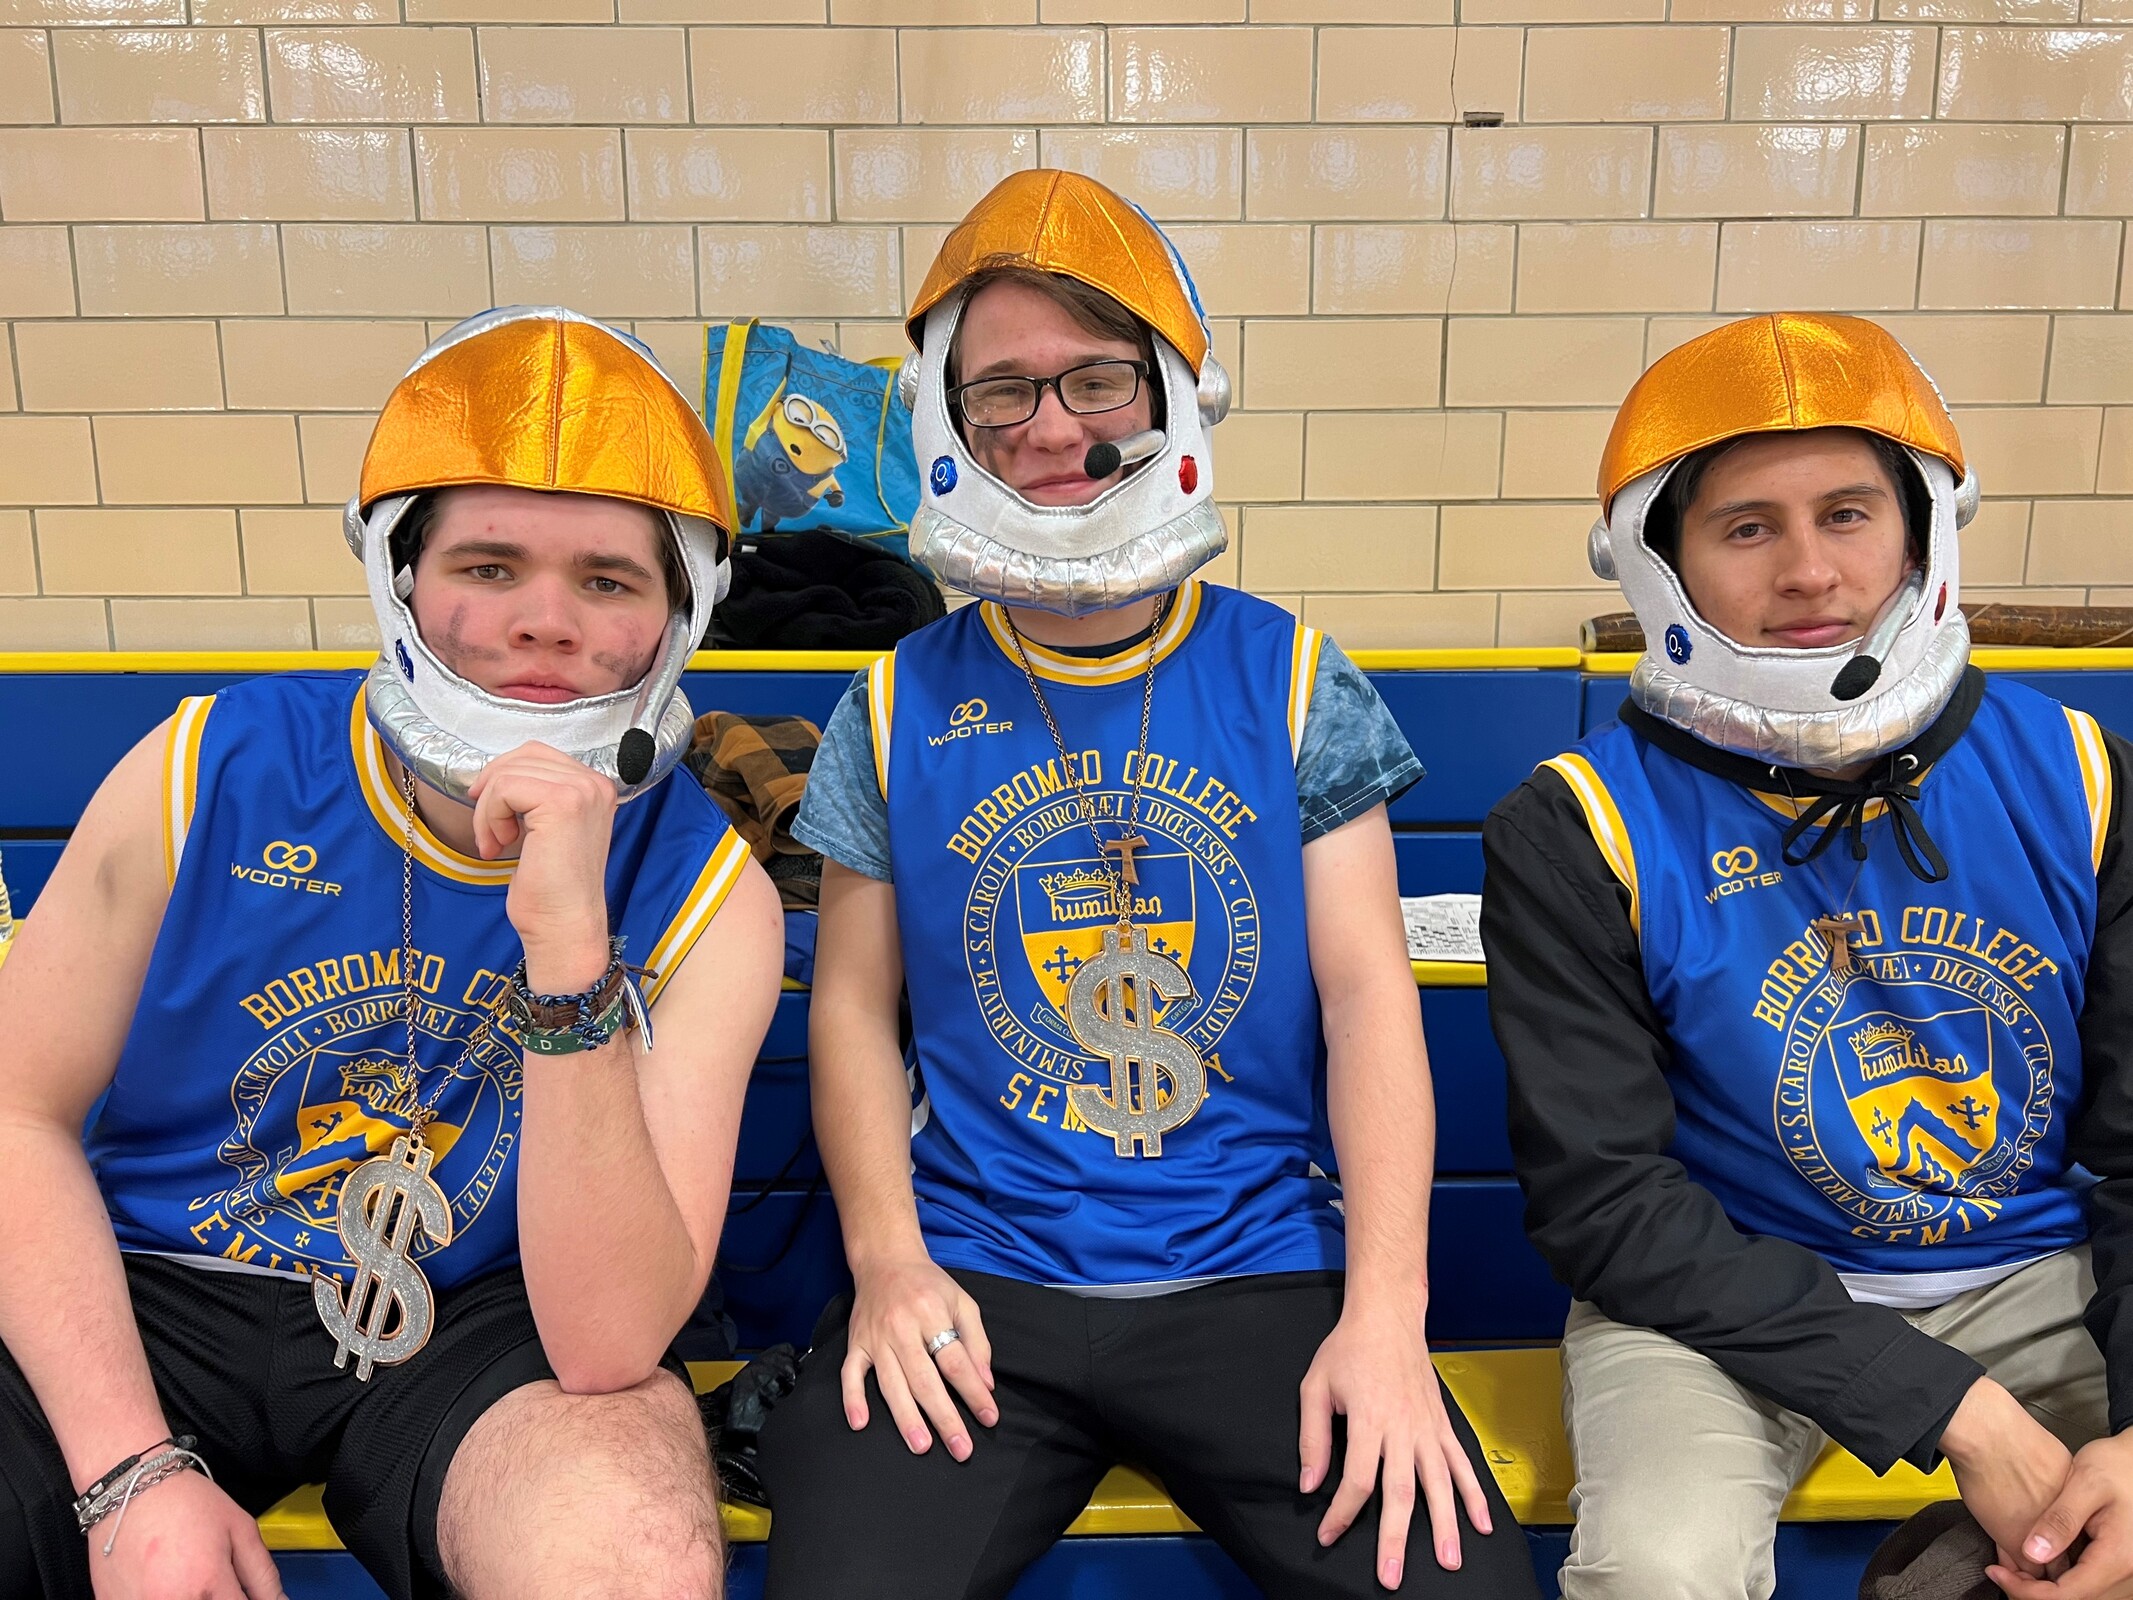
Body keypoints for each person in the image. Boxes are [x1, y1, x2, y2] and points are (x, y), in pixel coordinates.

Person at [757, 168, 1540, 1599]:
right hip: (978, 1281)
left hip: (1262, 1272)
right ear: (948, 423)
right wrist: (886, 1263)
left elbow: (1369, 1001)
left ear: (1173, 396)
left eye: (1097, 379)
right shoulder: (892, 702)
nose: (1053, 427)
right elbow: (853, 1010)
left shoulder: (1292, 676)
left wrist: (1386, 1317)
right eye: (1003, 392)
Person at [0, 306, 784, 1600]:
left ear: (677, 616)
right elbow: (16, 1114)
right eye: (488, 566)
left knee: (632, 1546)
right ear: (401, 580)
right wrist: (130, 1472)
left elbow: (606, 1344)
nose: (545, 621)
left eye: (607, 580)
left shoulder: (710, 896)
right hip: (145, 1286)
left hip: (477, 1314)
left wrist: (569, 954)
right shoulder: (202, 770)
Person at [1480, 311, 2133, 1600]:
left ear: (1922, 532)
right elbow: (1607, 1201)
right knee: (1657, 1573)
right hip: (1721, 1300)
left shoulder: (2082, 775)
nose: (1810, 573)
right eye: (1747, 528)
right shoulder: (1576, 824)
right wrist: (1956, 1412)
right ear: (1662, 562)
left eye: (1847, 514)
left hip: (2038, 1277)